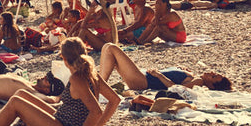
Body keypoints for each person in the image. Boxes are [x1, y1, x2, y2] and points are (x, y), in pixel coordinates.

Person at [0, 37, 120, 126]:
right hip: (63, 118)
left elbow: (96, 111)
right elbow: (115, 100)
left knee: (16, 103)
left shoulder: (77, 78)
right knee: (21, 95)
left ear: (64, 58)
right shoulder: (92, 73)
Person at [98, 43, 232, 91]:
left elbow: (176, 89)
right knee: (107, 48)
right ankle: (97, 83)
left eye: (213, 76)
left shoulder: (200, 82)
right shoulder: (195, 77)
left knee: (111, 48)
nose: (211, 72)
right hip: (142, 77)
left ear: (212, 85)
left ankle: (98, 86)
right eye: (215, 72)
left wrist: (159, 75)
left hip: (143, 81)